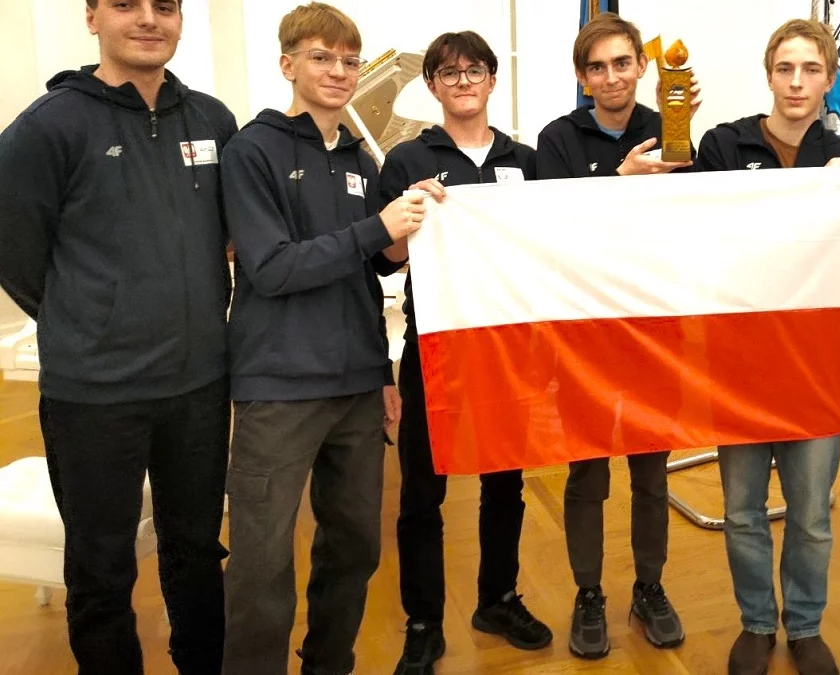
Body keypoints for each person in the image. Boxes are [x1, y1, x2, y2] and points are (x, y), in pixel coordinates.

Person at [0, 1, 235, 673]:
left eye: (165, 6)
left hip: (198, 385)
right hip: (94, 397)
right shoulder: (48, 127)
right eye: (126, 3)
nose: (148, 19)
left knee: (197, 551)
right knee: (101, 570)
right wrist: (89, 316)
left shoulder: (212, 121)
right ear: (92, 17)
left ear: (181, 19)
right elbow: (15, 250)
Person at [218, 3, 421, 674]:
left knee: (357, 545)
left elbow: (368, 270)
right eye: (321, 57)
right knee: (261, 563)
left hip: (357, 386)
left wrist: (382, 371)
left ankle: (329, 662)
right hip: (277, 387)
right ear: (288, 65)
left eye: (349, 60)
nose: (338, 71)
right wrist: (377, 229)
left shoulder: (361, 157)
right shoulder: (252, 150)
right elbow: (273, 268)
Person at [692, 17, 840, 675]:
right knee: (742, 511)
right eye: (785, 68)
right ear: (769, 75)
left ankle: (804, 626)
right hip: (739, 365)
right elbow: (708, 236)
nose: (797, 82)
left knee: (810, 517)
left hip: (816, 369)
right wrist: (806, 196)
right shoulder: (723, 144)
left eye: (811, 70)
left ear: (829, 80)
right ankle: (755, 623)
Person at [378, 30, 552, 675]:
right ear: (432, 86)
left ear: (492, 80)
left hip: (508, 348)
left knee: (505, 484)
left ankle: (497, 599)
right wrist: (410, 215)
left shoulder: (525, 160)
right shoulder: (406, 159)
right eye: (448, 74)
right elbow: (384, 257)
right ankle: (423, 622)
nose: (463, 83)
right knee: (422, 495)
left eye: (474, 70)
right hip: (435, 348)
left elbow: (552, 243)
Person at [535, 10, 701, 661]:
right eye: (597, 67)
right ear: (583, 77)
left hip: (655, 329)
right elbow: (551, 229)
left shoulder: (671, 130)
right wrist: (618, 184)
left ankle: (649, 587)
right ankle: (588, 592)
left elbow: (703, 219)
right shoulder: (556, 139)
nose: (611, 77)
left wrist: (683, 136)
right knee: (586, 472)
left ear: (641, 66)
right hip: (583, 332)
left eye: (622, 63)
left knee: (652, 472)